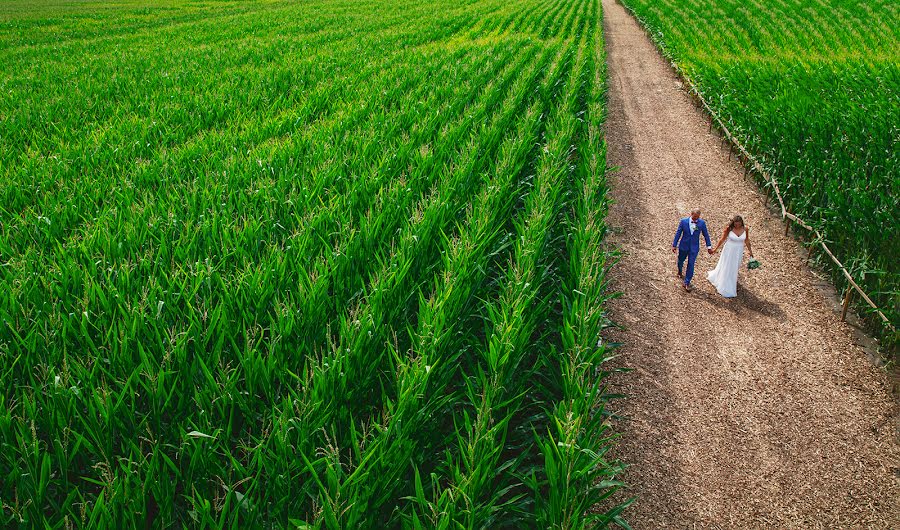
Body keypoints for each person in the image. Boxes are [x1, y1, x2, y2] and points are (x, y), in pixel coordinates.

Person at [707, 215, 754, 298]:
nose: (737, 226)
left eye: (738, 224)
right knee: (727, 265)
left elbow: (747, 240)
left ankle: (731, 280)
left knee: (735, 267)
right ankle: (725, 284)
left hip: (738, 251)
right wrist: (715, 249)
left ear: (741, 223)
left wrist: (750, 251)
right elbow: (722, 239)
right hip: (729, 250)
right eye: (735, 224)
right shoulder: (729, 229)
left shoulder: (745, 229)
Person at [672, 208, 713, 292]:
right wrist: (674, 245)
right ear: (691, 214)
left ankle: (687, 282)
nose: (696, 219)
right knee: (681, 260)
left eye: (697, 217)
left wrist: (709, 246)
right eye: (694, 217)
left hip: (694, 248)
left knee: (691, 264)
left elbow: (706, 235)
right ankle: (679, 270)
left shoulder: (701, 223)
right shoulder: (683, 221)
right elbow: (678, 233)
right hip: (684, 245)